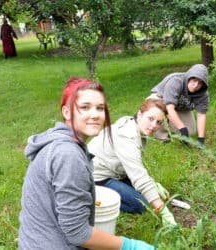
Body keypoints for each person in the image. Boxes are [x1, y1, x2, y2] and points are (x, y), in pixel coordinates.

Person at [18, 77, 154, 250]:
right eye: (85, 107)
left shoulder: (61, 143)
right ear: (67, 112)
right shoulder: (68, 155)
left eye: (100, 108)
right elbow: (77, 233)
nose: (95, 114)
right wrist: (130, 245)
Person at [88, 99, 171, 215]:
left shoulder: (134, 125)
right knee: (142, 205)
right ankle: (90, 198)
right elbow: (138, 176)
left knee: (148, 194)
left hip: (114, 172)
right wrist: (163, 211)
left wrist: (154, 185)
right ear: (140, 114)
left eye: (158, 122)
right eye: (151, 119)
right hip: (96, 177)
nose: (154, 126)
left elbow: (136, 167)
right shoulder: (127, 136)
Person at [150, 64, 209, 145]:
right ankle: (161, 135)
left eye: (199, 83)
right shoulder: (176, 81)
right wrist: (182, 129)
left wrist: (201, 139)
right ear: (189, 76)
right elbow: (169, 108)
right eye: (194, 80)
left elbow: (201, 115)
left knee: (191, 131)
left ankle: (172, 124)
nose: (195, 85)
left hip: (180, 107)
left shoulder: (203, 94)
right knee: (159, 110)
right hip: (161, 100)